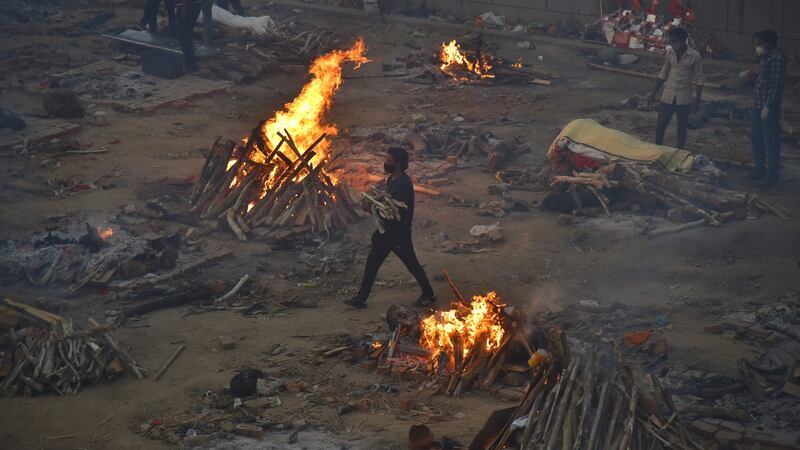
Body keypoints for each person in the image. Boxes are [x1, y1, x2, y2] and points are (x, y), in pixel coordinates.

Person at [344, 147, 436, 309]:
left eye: (388, 161)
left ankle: (428, 294)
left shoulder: (403, 183)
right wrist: (373, 208)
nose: (385, 163)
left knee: (411, 263)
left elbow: (394, 211)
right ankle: (361, 298)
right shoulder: (392, 179)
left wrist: (374, 208)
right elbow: (386, 206)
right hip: (387, 232)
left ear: (398, 163)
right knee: (372, 263)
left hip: (399, 232)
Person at [647, 28, 705, 149]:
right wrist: (653, 94)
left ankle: (679, 152)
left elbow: (699, 79)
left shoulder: (695, 56)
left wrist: (697, 101)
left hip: (684, 97)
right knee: (661, 125)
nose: (672, 44)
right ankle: (657, 150)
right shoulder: (670, 54)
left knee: (681, 129)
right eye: (670, 41)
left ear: (683, 40)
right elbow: (663, 73)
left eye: (674, 41)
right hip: (668, 95)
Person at [749, 30, 786, 187]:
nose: (757, 47)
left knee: (771, 141)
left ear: (768, 44)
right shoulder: (766, 58)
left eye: (759, 43)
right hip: (758, 105)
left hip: (768, 107)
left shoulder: (777, 59)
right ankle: (759, 169)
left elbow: (776, 86)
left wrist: (768, 106)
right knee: (757, 137)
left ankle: (772, 175)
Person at [176, 0, 205, 71]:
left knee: (184, 36)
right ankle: (191, 63)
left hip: (187, 6)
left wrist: (183, 12)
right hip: (195, 5)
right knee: (186, 35)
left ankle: (190, 63)